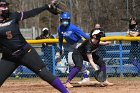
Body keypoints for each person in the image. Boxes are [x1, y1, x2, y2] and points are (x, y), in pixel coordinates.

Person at [0, 0, 69, 92]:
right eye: (2, 6)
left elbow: (31, 13)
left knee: (45, 74)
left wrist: (46, 7)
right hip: (9, 58)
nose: (5, 8)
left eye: (6, 5)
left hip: (25, 52)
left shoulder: (13, 16)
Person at [57, 11, 91, 84]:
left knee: (76, 60)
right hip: (71, 45)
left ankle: (85, 75)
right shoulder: (60, 29)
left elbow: (85, 36)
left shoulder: (73, 28)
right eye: (63, 20)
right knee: (71, 62)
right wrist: (60, 47)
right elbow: (60, 39)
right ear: (61, 20)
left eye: (66, 20)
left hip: (79, 43)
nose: (65, 21)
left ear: (69, 20)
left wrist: (91, 42)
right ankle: (85, 72)